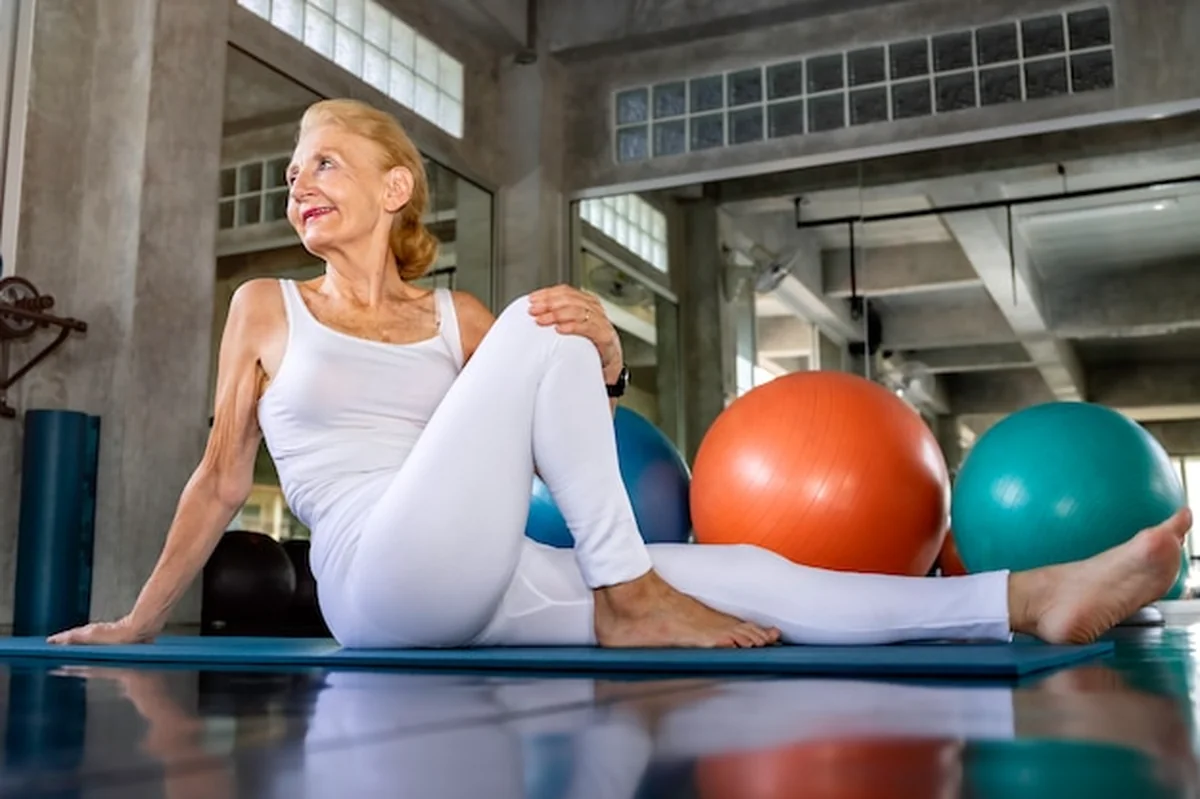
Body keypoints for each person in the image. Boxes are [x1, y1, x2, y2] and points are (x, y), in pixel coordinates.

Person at [49, 98, 1191, 651]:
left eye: (326, 161)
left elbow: (546, 422)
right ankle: (631, 591)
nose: (300, 182)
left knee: (744, 565)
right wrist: (142, 620)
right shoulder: (265, 307)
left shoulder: (460, 317)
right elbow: (215, 480)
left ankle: (1028, 600)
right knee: (551, 336)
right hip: (372, 578)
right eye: (294, 169)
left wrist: (606, 354)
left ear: (396, 189)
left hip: (500, 572)